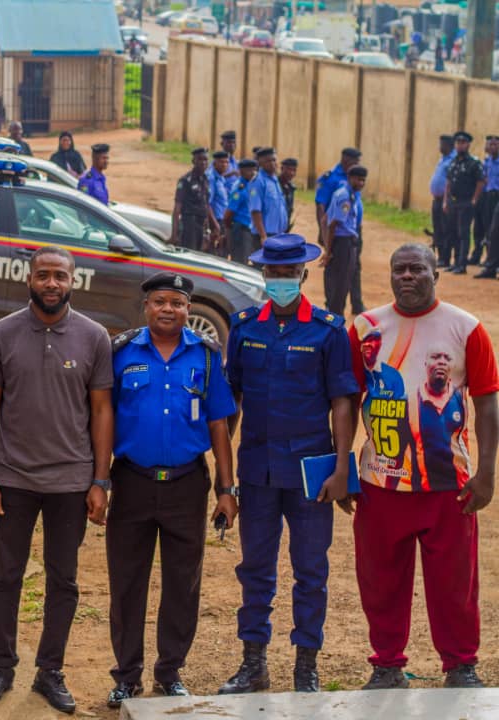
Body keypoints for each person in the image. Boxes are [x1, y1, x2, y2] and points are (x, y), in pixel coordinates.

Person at [348, 244, 498, 690]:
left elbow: (488, 403)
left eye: (417, 269)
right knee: (381, 582)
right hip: (381, 481)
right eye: (399, 270)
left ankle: (460, 665)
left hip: (448, 485)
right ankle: (387, 665)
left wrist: (487, 473)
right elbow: (343, 400)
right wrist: (340, 469)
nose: (407, 276)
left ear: (437, 273)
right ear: (389, 276)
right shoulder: (366, 328)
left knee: (455, 584)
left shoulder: (466, 328)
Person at [0, 245, 113, 713]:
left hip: (71, 482)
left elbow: (100, 412)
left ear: (74, 280)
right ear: (29, 278)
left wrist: (100, 480)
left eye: (60, 276)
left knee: (64, 579)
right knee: (6, 575)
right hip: (12, 478)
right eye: (43, 275)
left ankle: (50, 671)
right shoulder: (0, 334)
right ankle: (1, 666)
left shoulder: (95, 337)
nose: (51, 283)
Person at [220, 234, 357, 695]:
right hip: (256, 468)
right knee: (255, 567)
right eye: (273, 273)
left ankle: (306, 668)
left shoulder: (328, 330)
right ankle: (253, 664)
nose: (280, 280)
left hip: (310, 472)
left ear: (303, 274)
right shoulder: (243, 328)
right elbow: (231, 398)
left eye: (288, 273)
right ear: (263, 274)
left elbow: (342, 401)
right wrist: (223, 475)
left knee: (310, 570)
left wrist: (342, 467)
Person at [105, 272, 237, 707]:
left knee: (183, 583)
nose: (168, 309)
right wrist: (98, 480)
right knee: (127, 583)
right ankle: (126, 676)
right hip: (132, 481)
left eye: (177, 303)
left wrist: (226, 487)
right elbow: (102, 419)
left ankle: (169, 672)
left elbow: (218, 423)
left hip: (186, 483)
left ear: (188, 310)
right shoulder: (121, 353)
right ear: (146, 307)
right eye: (160, 301)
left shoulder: (205, 355)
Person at [322, 165, 367, 317]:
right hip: (343, 244)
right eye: (358, 179)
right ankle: (335, 315)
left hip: (346, 243)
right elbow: (333, 224)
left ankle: (335, 312)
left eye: (363, 180)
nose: (361, 183)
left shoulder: (350, 194)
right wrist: (328, 250)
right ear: (350, 178)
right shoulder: (344, 197)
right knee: (340, 284)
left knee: (342, 281)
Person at [444, 131, 484, 274]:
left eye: (463, 143)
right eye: (458, 143)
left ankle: (462, 264)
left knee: (463, 233)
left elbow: (481, 181)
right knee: (453, 232)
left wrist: (474, 199)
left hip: (466, 202)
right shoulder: (454, 162)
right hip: (453, 202)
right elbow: (448, 182)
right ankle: (455, 263)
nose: (460, 145)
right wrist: (445, 200)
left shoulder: (474, 162)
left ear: (468, 144)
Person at [172, 147, 219, 252]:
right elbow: (177, 209)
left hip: (202, 224)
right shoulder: (185, 181)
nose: (203, 163)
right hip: (189, 225)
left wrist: (215, 224)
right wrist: (174, 235)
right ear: (193, 161)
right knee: (190, 255)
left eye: (205, 160)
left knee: (201, 255)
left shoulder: (205, 179)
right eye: (200, 159)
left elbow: (206, 204)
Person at [314, 148, 362, 251]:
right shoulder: (330, 178)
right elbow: (320, 206)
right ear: (345, 160)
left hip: (353, 230)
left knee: (353, 264)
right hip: (337, 232)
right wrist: (323, 232)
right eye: (355, 162)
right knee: (337, 262)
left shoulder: (355, 177)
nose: (358, 165)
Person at [248, 148, 289, 242]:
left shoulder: (274, 180)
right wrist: (263, 236)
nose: (272, 163)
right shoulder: (258, 182)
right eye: (268, 161)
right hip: (265, 235)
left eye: (274, 160)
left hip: (278, 234)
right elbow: (255, 211)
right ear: (260, 164)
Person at [470, 134, 499, 266]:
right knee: (482, 227)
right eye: (488, 144)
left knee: (492, 229)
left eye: (494, 144)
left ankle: (492, 259)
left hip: (495, 196)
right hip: (485, 196)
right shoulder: (486, 161)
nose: (490, 147)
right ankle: (482, 256)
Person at [225, 159, 259, 264]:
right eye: (249, 170)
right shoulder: (239, 189)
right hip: (241, 230)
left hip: (249, 231)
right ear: (242, 171)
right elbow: (228, 214)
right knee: (240, 263)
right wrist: (232, 230)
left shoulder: (252, 185)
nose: (253, 173)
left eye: (254, 170)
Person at [431, 135, 456, 268]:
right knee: (437, 228)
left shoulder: (453, 159)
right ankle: (440, 257)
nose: (440, 147)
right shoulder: (443, 159)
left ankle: (445, 258)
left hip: (446, 200)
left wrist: (446, 200)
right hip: (437, 199)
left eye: (442, 144)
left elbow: (451, 182)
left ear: (449, 145)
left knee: (446, 228)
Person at [208, 151, 231, 255]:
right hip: (215, 221)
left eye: (227, 162)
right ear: (214, 163)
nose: (225, 165)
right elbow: (207, 203)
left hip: (222, 220)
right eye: (221, 162)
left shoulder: (221, 178)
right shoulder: (211, 178)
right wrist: (215, 225)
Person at [279, 158, 298, 228]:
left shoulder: (291, 187)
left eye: (294, 170)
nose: (292, 173)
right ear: (282, 169)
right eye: (289, 169)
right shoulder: (275, 185)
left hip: (285, 224)